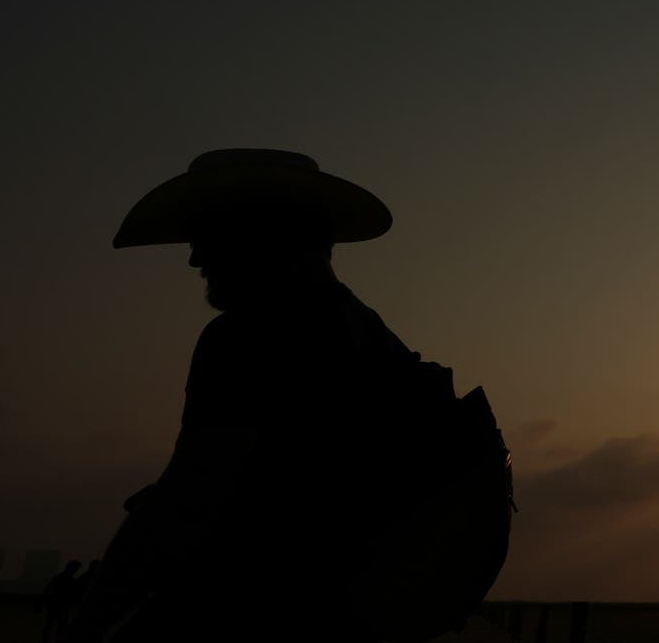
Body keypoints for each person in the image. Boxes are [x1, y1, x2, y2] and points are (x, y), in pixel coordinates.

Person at [65, 149, 416, 642]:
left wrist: (85, 626)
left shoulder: (247, 335)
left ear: (265, 233)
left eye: (208, 235)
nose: (195, 258)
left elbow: (189, 499)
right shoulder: (374, 337)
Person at [40, 560, 82, 641]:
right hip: (57, 605)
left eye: (76, 568)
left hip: (59, 605)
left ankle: (48, 639)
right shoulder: (67, 580)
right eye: (75, 568)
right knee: (54, 624)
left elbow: (48, 590)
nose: (75, 570)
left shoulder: (63, 578)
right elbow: (49, 590)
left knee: (54, 624)